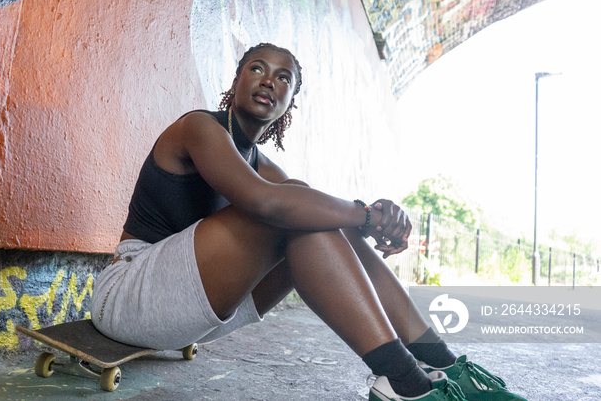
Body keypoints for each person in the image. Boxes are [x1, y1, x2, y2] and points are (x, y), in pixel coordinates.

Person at [92, 43, 526, 400]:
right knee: (290, 204)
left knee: (308, 210)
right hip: (129, 295)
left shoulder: (263, 167)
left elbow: (310, 212)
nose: (268, 80)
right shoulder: (198, 128)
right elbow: (270, 206)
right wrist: (368, 213)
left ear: (289, 103)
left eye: (283, 77)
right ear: (237, 80)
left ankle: (439, 361)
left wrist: (376, 220)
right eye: (257, 68)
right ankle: (406, 383)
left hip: (194, 310)